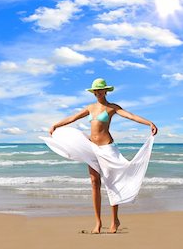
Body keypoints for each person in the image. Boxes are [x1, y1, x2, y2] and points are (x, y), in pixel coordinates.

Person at [48, 78, 158, 234]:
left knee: (111, 183)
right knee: (94, 183)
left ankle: (115, 221)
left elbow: (131, 116)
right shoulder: (90, 108)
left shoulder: (112, 107)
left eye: (100, 90)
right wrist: (56, 125)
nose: (97, 93)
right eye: (95, 91)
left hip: (108, 149)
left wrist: (149, 123)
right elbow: (72, 118)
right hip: (92, 149)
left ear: (106, 91)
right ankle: (98, 222)